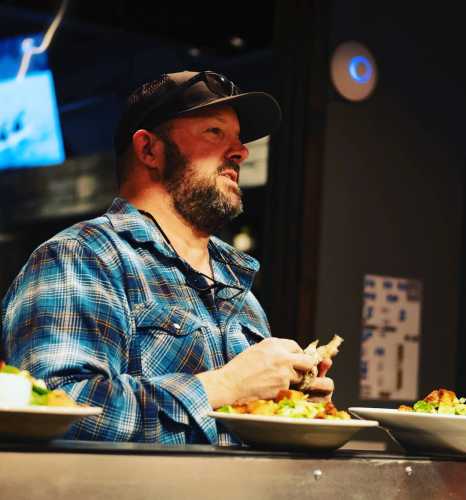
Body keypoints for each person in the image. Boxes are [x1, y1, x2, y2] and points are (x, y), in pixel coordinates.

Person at [1, 70, 334, 444]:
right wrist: (226, 385)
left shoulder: (239, 288)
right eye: (214, 132)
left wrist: (290, 405)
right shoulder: (81, 258)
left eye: (239, 139)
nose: (241, 151)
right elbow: (59, 412)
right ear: (149, 150)